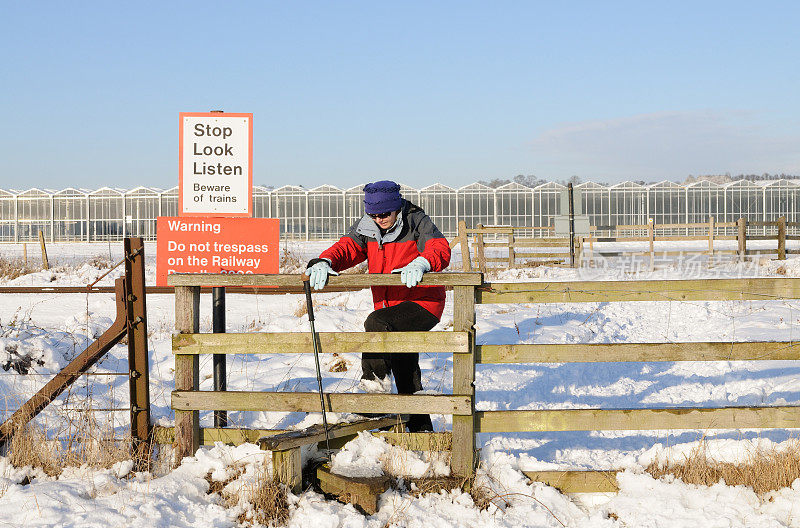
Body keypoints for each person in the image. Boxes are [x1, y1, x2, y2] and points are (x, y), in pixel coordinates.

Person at [306, 180, 451, 432]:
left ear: (396, 208)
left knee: (377, 322)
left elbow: (440, 247)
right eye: (373, 214)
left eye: (384, 213)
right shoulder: (368, 227)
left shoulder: (416, 220)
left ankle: (374, 394)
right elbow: (347, 247)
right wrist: (324, 260)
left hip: (423, 303)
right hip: (390, 305)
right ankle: (421, 431)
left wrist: (423, 262)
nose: (379, 219)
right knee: (404, 366)